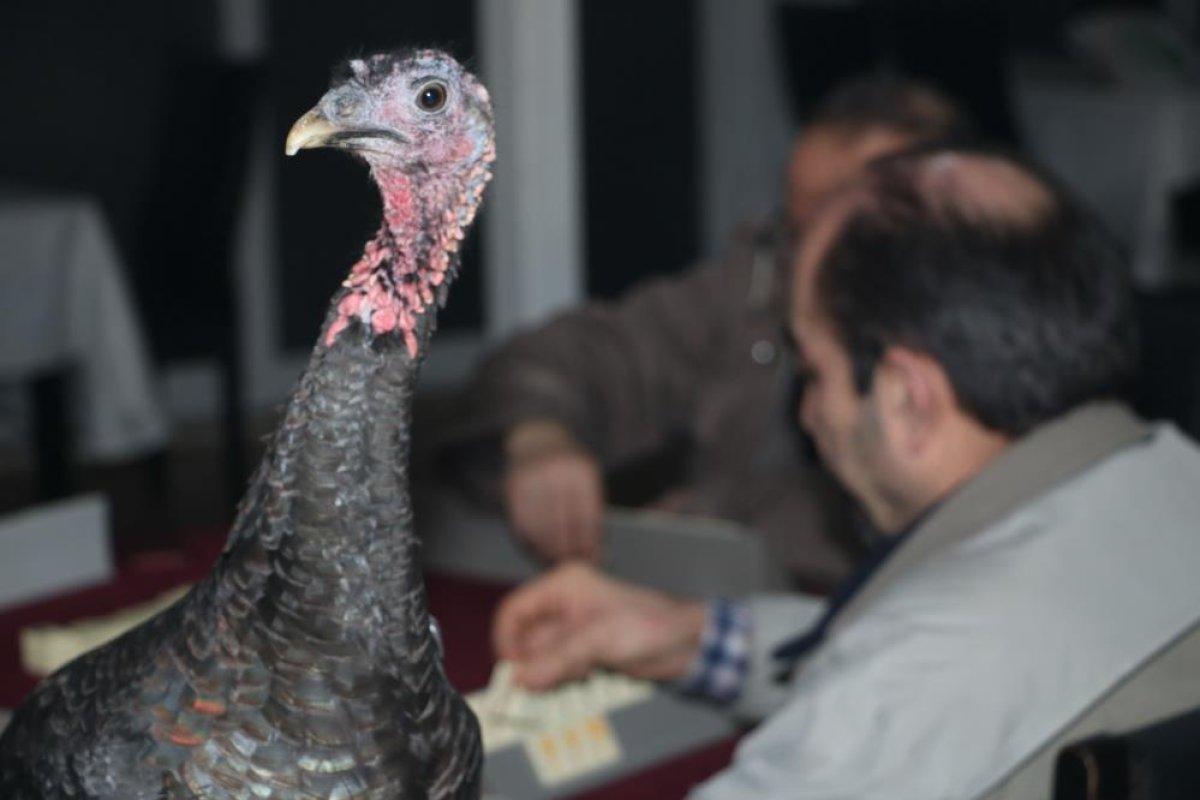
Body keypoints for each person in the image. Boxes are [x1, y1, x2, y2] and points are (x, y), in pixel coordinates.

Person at [490, 144, 1200, 798]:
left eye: (815, 371)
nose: (809, 415)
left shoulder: (906, 690)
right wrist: (690, 638)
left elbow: (918, 675)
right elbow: (1000, 636)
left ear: (908, 401)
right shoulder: (1173, 480)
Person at [451, 77, 971, 588]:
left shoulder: (983, 333)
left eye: (838, 223)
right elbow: (581, 355)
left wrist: (717, 514)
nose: (805, 251)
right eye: (796, 224)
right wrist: (537, 434)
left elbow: (929, 528)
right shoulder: (758, 285)